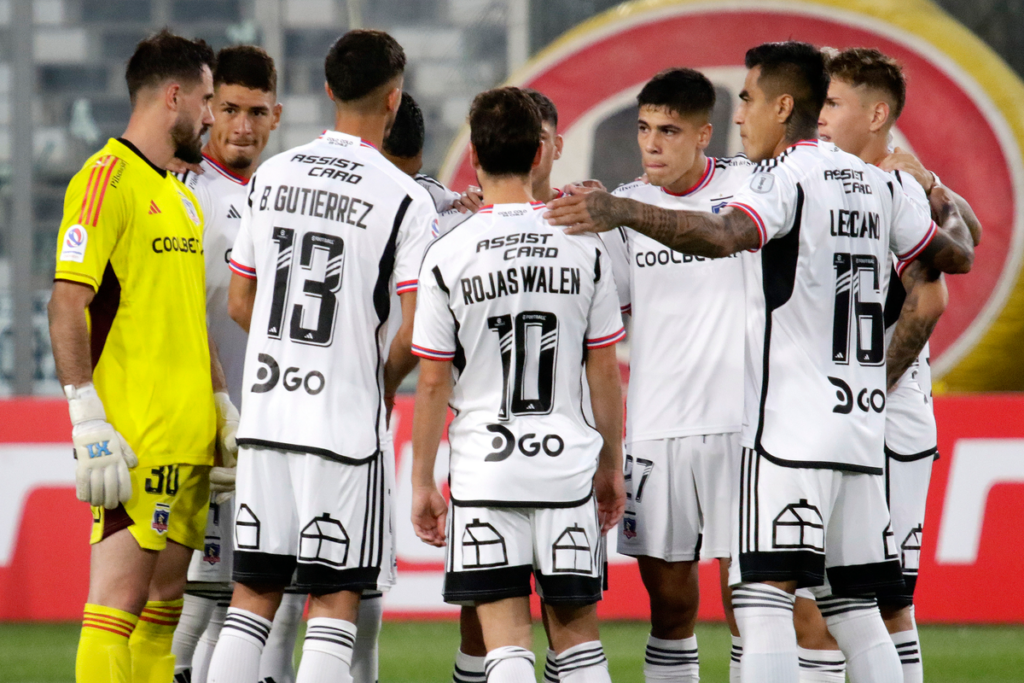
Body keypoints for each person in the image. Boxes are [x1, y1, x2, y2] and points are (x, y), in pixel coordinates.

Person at [546, 40, 975, 683]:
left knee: (763, 599)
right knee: (856, 606)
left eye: (746, 99)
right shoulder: (880, 180)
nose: (740, 114)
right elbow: (950, 258)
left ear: (781, 105)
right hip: (858, 429)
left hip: (786, 429)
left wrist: (620, 209)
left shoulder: (779, 181)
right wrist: (934, 188)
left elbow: (723, 236)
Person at [205, 29, 435, 683]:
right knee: (333, 602)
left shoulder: (274, 175)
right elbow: (415, 329)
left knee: (251, 598)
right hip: (342, 427)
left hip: (269, 419)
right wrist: (375, 375)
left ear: (328, 90)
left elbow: (241, 302)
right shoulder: (403, 198)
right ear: (393, 101)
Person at [410, 86, 627, 683]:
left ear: (475, 156)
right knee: (578, 645)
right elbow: (604, 371)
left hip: (486, 470)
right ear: (540, 154)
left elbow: (431, 385)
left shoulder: (447, 253)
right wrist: (613, 465)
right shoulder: (586, 245)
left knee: (504, 647)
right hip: (566, 469)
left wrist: (423, 480)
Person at [47, 30, 238, 683]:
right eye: (209, 100)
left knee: (162, 612)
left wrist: (220, 406)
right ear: (175, 96)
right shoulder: (106, 179)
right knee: (114, 607)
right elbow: (67, 301)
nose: (212, 116)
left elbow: (190, 320)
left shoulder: (182, 197)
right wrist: (86, 417)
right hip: (135, 440)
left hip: (189, 439)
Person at [799, 46, 983, 683]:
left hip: (886, 418)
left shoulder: (899, 184)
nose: (818, 116)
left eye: (833, 103)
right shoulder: (826, 181)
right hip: (842, 414)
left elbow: (945, 277)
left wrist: (870, 390)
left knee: (877, 602)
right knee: (835, 600)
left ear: (877, 114)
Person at [599, 67, 753, 683]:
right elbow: (603, 320)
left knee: (755, 605)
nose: (651, 143)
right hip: (659, 432)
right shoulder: (624, 208)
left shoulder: (745, 194)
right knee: (671, 609)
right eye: (643, 128)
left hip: (743, 429)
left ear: (704, 135)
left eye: (668, 130)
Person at [167, 45, 311, 683]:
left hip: (267, 425)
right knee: (192, 603)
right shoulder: (185, 192)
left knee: (256, 598)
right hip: (204, 427)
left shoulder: (281, 194)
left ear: (275, 116)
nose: (242, 127)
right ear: (208, 111)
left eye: (256, 112)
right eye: (228, 109)